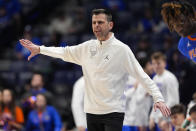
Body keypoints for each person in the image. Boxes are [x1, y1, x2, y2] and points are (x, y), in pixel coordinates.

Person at [19, 9, 170, 131]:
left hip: (113, 112)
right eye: (94, 23)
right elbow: (63, 52)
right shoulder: (87, 47)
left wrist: (158, 98)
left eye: (100, 22)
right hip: (91, 112)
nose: (96, 26)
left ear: (110, 25)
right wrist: (39, 49)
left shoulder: (122, 50)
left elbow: (141, 75)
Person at [149, 52, 179, 131]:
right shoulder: (155, 78)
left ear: (164, 64)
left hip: (168, 120)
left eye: (158, 63)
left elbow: (173, 101)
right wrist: (152, 117)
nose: (156, 66)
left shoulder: (169, 78)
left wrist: (161, 116)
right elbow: (155, 101)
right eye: (154, 63)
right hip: (158, 119)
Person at [123, 58, 154, 131]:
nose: (152, 67)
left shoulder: (147, 80)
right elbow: (135, 101)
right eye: (150, 64)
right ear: (145, 66)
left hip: (140, 121)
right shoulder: (132, 79)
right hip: (132, 122)